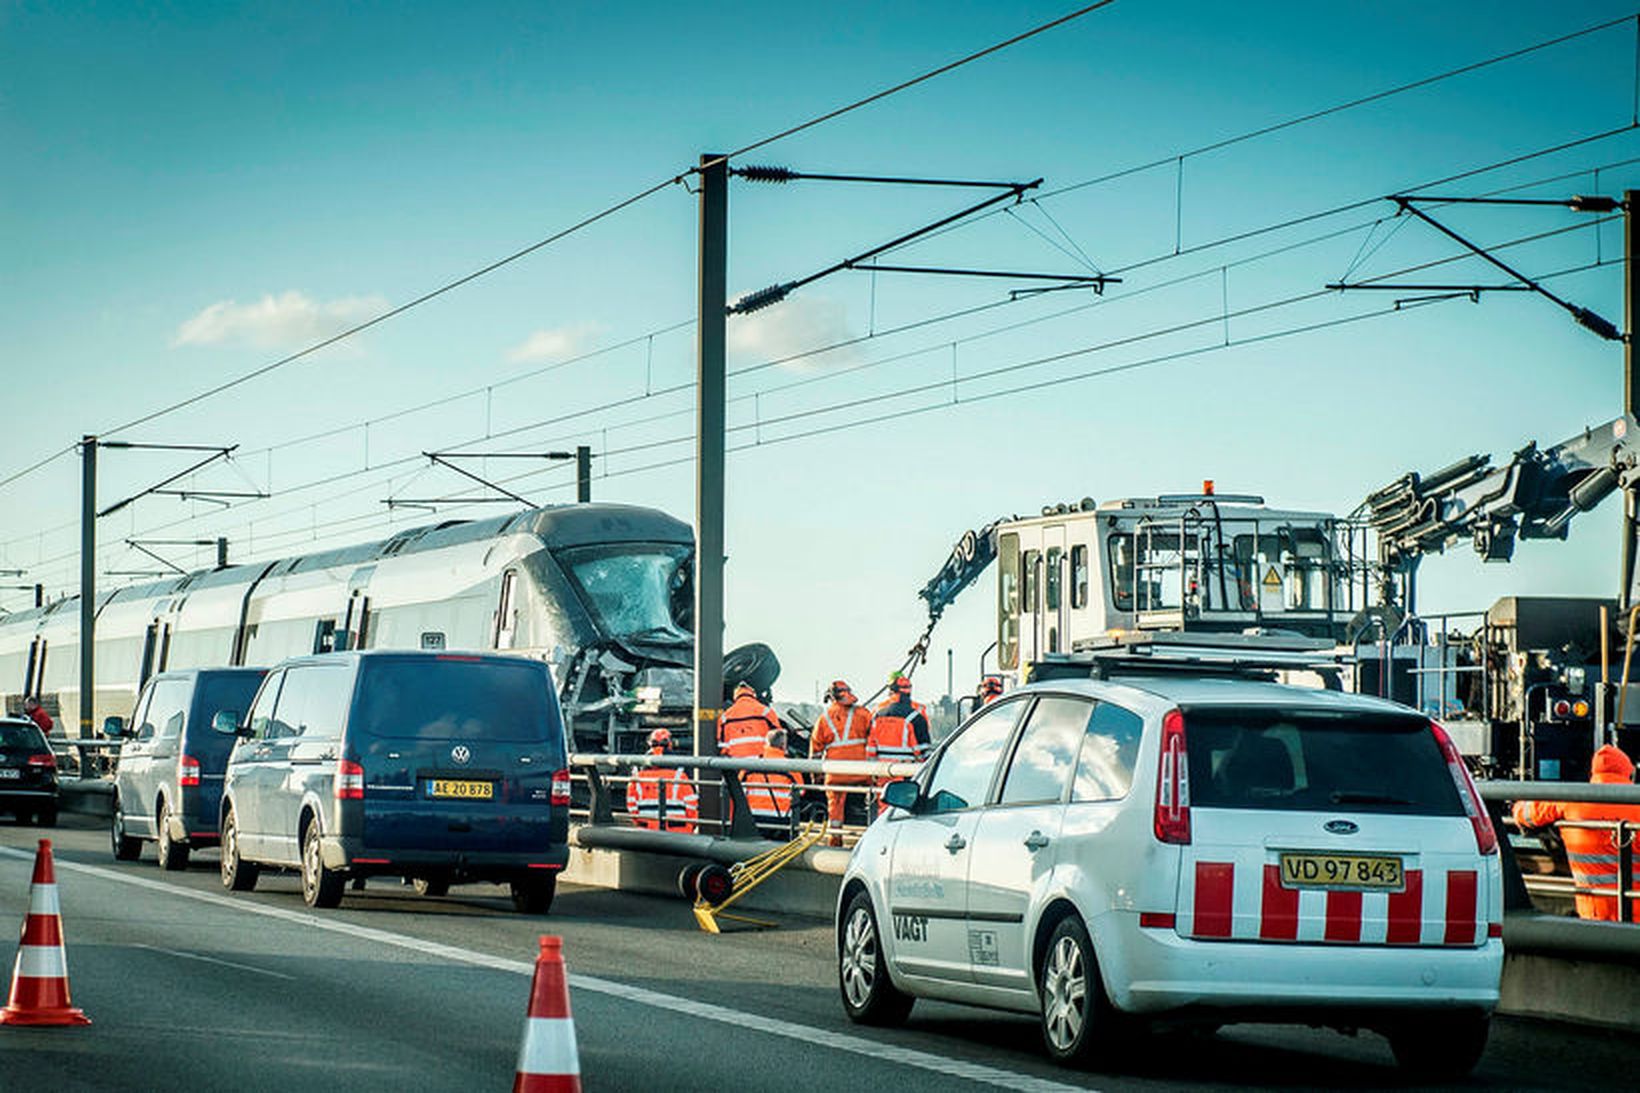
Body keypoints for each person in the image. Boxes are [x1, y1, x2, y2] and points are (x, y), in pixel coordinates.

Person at [1513, 744, 1640, 922]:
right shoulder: (1636, 805)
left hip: (1593, 913)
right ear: (1628, 773)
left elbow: (1524, 813)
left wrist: (1516, 806)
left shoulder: (1572, 800)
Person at [808, 679, 871, 845]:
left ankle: (835, 840)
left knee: (835, 806)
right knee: (874, 798)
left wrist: (817, 776)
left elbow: (815, 752)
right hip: (862, 771)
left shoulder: (823, 719)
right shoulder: (863, 714)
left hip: (836, 773)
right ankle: (873, 837)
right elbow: (874, 738)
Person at [867, 677, 931, 812]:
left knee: (884, 807)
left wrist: (872, 770)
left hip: (882, 771)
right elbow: (924, 754)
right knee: (902, 810)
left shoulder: (877, 716)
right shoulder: (915, 718)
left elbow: (871, 749)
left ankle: (883, 832)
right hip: (905, 772)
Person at [626, 728, 698, 834]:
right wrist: (690, 827)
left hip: (647, 834)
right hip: (679, 834)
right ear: (670, 744)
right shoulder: (680, 771)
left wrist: (644, 824)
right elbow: (692, 806)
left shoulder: (637, 773)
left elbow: (632, 806)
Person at [743, 728, 803, 838]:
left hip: (754, 817)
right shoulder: (791, 766)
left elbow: (739, 787)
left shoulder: (751, 764)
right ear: (784, 745)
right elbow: (801, 791)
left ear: (766, 743)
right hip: (781, 819)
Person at [717, 681, 779, 760]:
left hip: (736, 764)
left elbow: (722, 745)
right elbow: (778, 737)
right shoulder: (766, 712)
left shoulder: (725, 717)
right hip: (763, 762)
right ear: (753, 694)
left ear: (735, 696)